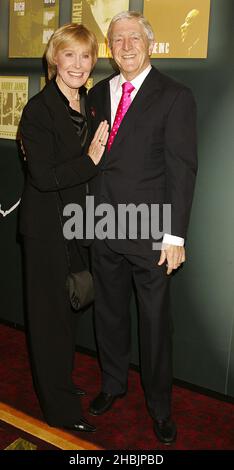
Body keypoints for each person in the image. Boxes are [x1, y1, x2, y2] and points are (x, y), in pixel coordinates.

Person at [87, 11, 197, 444]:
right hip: (102, 225)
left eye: (134, 37)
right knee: (108, 314)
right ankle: (113, 384)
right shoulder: (97, 92)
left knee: (154, 324)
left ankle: (160, 407)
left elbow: (182, 169)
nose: (126, 45)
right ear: (109, 47)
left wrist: (175, 235)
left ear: (149, 43)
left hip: (151, 233)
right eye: (118, 39)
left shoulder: (175, 95)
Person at [19, 23, 109, 432]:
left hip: (77, 226)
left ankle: (61, 384)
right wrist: (89, 161)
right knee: (49, 320)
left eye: (85, 56)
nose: (77, 64)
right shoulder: (38, 110)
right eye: (69, 55)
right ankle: (58, 409)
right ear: (54, 59)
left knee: (71, 310)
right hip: (46, 231)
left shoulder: (87, 102)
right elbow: (42, 175)